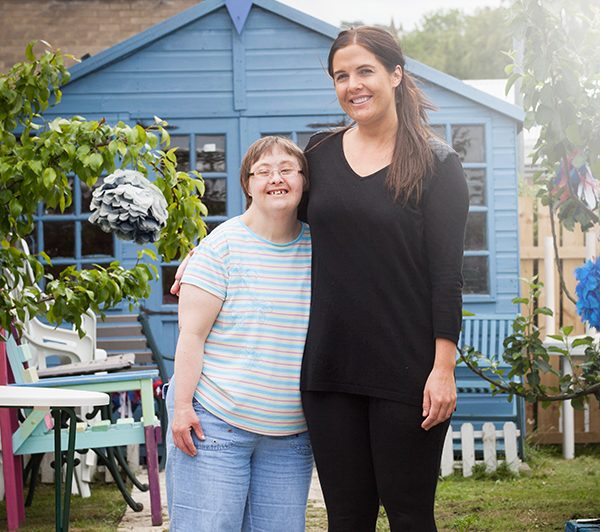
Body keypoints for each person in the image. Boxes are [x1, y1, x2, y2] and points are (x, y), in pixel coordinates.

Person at [172, 26, 469, 532]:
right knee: (347, 518)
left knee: (410, 515)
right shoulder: (322, 155)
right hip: (329, 375)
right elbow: (272, 212)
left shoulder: (438, 165)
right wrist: (206, 249)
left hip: (407, 373)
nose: (353, 84)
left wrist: (444, 367)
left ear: (396, 74)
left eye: (365, 71)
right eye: (341, 75)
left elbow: (447, 276)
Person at [165, 136, 313, 532]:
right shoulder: (221, 246)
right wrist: (182, 408)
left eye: (287, 169)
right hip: (214, 425)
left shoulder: (321, 248)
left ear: (303, 180)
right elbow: (191, 336)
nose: (276, 178)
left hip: (290, 435)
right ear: (248, 185)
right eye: (263, 171)